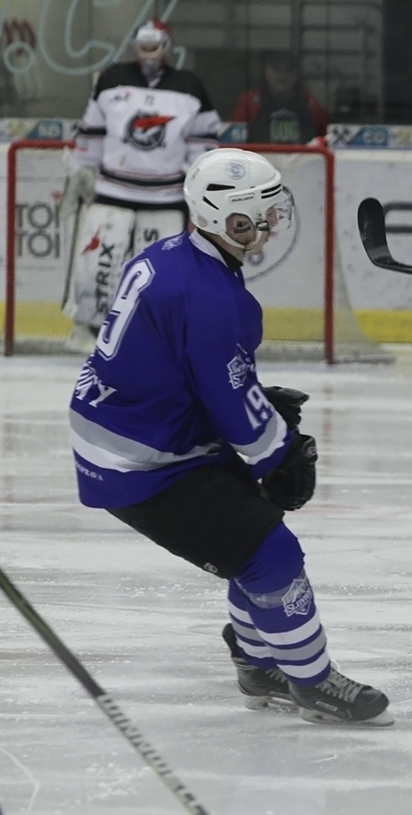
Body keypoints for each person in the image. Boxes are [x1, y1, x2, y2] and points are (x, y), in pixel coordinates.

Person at [67, 148, 392, 727]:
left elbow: (191, 369)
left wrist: (255, 410)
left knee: (254, 532)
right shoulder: (213, 298)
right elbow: (229, 397)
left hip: (133, 430)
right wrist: (279, 453)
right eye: (260, 211)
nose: (271, 220)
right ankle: (312, 682)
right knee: (272, 553)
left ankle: (258, 664)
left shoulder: (170, 255)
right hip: (141, 460)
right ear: (228, 217)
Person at [58, 19, 221, 354]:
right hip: (112, 191)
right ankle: (91, 328)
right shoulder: (111, 79)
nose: (148, 52)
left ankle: (158, 333)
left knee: (162, 271)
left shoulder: (189, 86)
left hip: (166, 196)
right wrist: (83, 170)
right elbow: (92, 132)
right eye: (143, 45)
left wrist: (198, 181)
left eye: (154, 45)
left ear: (167, 47)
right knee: (98, 263)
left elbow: (204, 142)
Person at [231, 50, 330, 145]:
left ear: (296, 74)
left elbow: (326, 139)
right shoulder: (250, 102)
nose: (282, 76)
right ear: (266, 71)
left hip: (303, 157)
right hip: (259, 156)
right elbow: (234, 137)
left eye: (288, 70)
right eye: (277, 69)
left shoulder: (311, 104)